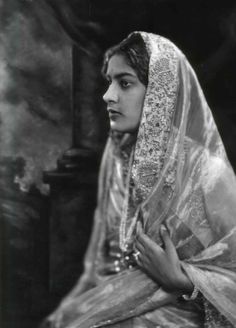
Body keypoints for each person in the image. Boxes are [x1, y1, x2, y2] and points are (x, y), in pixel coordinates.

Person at [44, 32, 236, 327]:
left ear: (161, 91)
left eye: (125, 83)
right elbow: (101, 260)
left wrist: (184, 283)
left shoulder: (208, 172)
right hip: (118, 302)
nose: (108, 95)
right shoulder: (119, 154)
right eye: (109, 82)